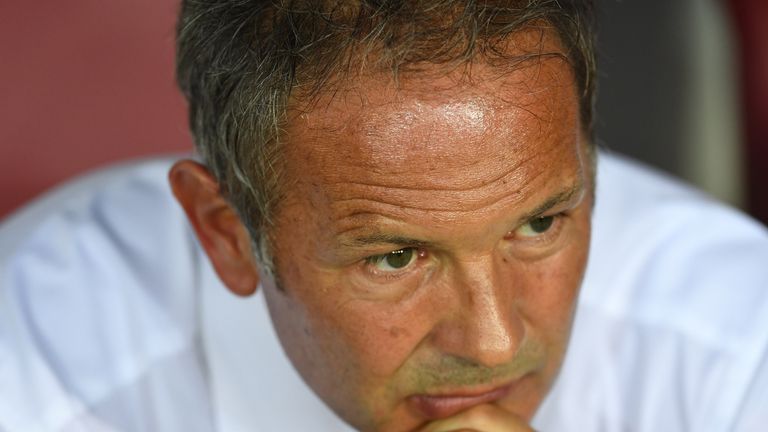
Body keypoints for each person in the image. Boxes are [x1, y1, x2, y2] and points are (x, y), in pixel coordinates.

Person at [0, 1, 766, 431]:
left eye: (540, 225)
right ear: (227, 235)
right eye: (396, 258)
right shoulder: (42, 356)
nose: (493, 343)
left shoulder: (733, 342)